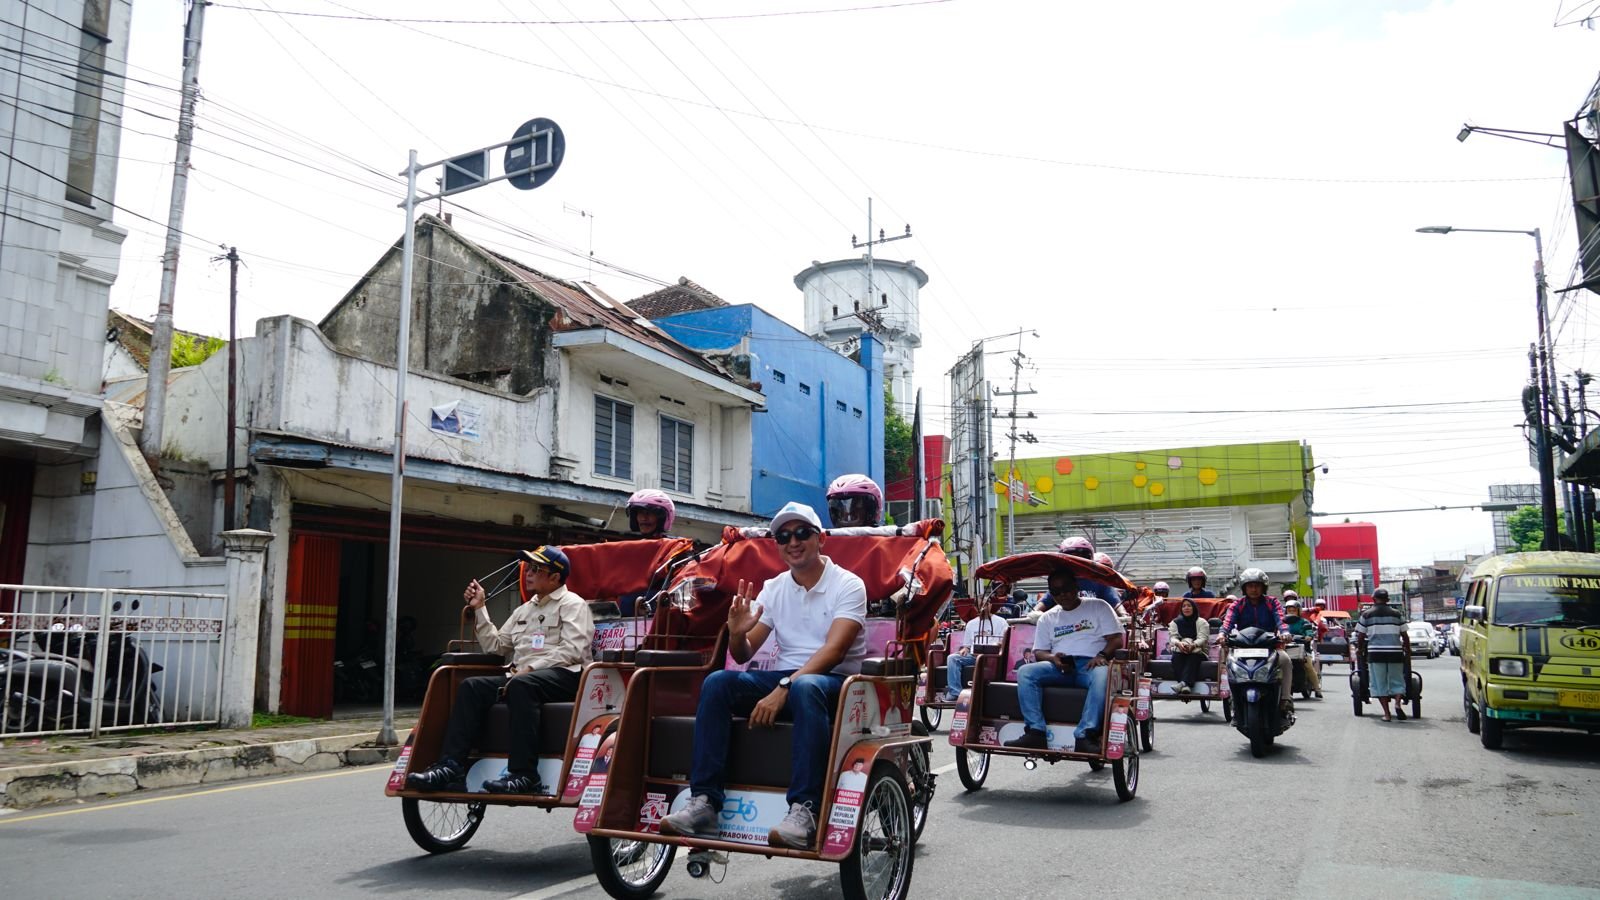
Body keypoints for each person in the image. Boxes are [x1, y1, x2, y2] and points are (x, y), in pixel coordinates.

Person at [660, 501, 868, 850]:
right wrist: (737, 632)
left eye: (802, 533)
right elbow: (743, 653)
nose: (793, 541)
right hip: (790, 680)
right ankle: (705, 802)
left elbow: (834, 652)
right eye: (783, 536)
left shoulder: (848, 585)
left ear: (821, 540)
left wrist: (784, 686)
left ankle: (805, 809)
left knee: (806, 685)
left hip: (836, 684)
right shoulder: (773, 588)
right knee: (718, 683)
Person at [407, 546, 593, 795]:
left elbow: (573, 650)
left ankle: (524, 774)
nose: (529, 573)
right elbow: (495, 645)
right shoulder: (523, 610)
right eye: (529, 568)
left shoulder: (573, 605)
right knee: (471, 687)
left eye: (537, 569)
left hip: (566, 675)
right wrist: (480, 608)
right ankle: (451, 766)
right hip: (522, 677)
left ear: (555, 577)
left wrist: (530, 668)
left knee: (522, 685)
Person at [1004, 566, 1124, 752]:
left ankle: (1086, 734)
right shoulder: (1047, 618)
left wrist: (1102, 655)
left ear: (1076, 587)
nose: (1063, 595)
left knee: (1102, 674)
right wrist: (1053, 658)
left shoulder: (1099, 606)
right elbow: (1039, 652)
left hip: (1091, 664)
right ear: (1051, 594)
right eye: (1056, 592)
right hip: (1060, 666)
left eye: (1066, 588)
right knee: (1026, 671)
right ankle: (1035, 731)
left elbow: (1116, 639)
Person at [1216, 568, 1293, 713]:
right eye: (1250, 586)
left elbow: (1280, 620)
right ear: (1244, 588)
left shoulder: (1272, 602)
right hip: (1243, 648)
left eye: (1257, 585)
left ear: (1263, 587)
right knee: (1228, 663)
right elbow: (1227, 622)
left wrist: (1285, 632)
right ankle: (1233, 698)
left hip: (1270, 646)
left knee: (1286, 660)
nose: (1254, 589)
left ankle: (1285, 699)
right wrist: (1222, 634)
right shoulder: (1237, 604)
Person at [1354, 588, 1411, 721]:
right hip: (1395, 652)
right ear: (1388, 600)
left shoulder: (1367, 614)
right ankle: (1397, 703)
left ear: (1373, 599)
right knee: (1397, 680)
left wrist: (1360, 649)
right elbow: (1405, 635)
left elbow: (1361, 636)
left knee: (1380, 683)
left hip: (1376, 653)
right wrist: (1407, 649)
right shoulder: (1397, 614)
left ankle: (1387, 714)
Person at [942, 599, 1010, 701]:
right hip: (974, 655)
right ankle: (956, 692)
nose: (983, 607)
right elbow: (967, 645)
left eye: (986, 604)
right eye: (980, 605)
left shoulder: (1001, 622)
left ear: (990, 605)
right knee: (952, 658)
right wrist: (965, 649)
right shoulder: (971, 623)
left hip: (993, 657)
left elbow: (1005, 642)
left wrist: (997, 644)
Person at [1057, 537, 1124, 607]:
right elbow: (1045, 604)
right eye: (1070, 560)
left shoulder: (1100, 581)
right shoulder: (1059, 582)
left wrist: (1124, 615)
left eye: (1079, 559)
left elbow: (1116, 605)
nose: (1075, 563)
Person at [1166, 597, 1211, 693]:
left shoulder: (1202, 622)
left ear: (1194, 608)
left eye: (1189, 606)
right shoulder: (1175, 622)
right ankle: (1185, 686)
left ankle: (1182, 684)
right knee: (1176, 657)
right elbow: (1173, 637)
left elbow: (1203, 638)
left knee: (1193, 657)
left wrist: (1193, 645)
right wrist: (1179, 644)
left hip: (1199, 651)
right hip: (1180, 649)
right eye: (1184, 606)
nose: (1186, 608)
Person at [1282, 598, 1323, 699]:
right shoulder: (1282, 623)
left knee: (1308, 666)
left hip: (1302, 649)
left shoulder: (1304, 622)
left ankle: (1317, 689)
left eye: (1294, 610)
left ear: (1298, 611)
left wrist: (1308, 637)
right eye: (1289, 610)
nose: (1291, 612)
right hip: (1285, 649)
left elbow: (1309, 633)